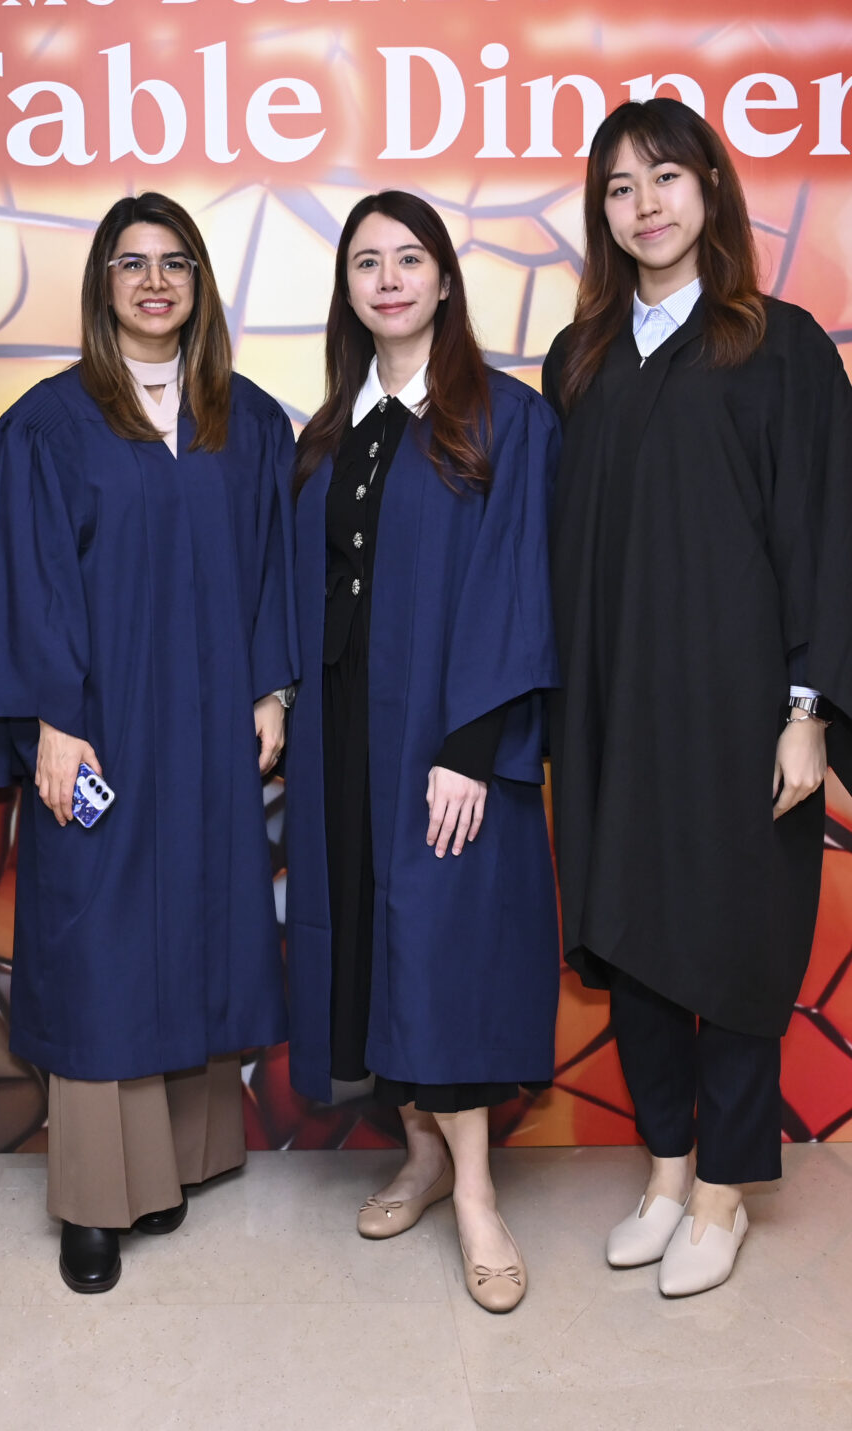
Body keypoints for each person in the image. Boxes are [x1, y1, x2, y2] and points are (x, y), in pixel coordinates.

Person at [543, 98, 852, 1298]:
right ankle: (664, 1173)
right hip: (615, 710)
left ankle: (723, 1190)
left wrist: (809, 712)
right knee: (634, 939)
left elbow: (828, 536)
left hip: (744, 710)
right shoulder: (581, 361)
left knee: (740, 946)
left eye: (664, 178)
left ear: (708, 190)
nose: (643, 206)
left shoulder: (780, 348)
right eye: (618, 188)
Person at [0, 192, 294, 1296]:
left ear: (199, 283)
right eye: (132, 263)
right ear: (103, 284)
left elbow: (272, 565)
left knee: (199, 922)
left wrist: (271, 687)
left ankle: (179, 1161)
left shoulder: (248, 418)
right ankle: (98, 1197)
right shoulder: (51, 424)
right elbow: (27, 577)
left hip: (210, 726)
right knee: (98, 943)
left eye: (175, 262)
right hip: (97, 726)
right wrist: (52, 721)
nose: (154, 282)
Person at [281, 192, 559, 1314]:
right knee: (366, 945)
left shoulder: (503, 419)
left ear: (445, 277)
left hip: (445, 742)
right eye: (367, 262)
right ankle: (424, 1156)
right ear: (347, 288)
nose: (389, 279)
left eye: (410, 259)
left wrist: (471, 747)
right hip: (343, 736)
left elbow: (519, 586)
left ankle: (478, 1195)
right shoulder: (329, 432)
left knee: (442, 955)